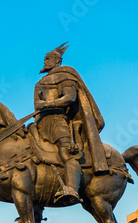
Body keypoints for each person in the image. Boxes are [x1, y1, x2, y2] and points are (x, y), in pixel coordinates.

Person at [34, 43, 108, 204]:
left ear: (57, 61)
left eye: (48, 59)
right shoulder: (40, 81)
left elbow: (69, 98)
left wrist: (46, 104)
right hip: (40, 123)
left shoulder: (65, 77)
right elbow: (37, 104)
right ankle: (36, 203)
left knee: (65, 153)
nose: (45, 61)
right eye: (45, 59)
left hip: (58, 121)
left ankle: (72, 188)